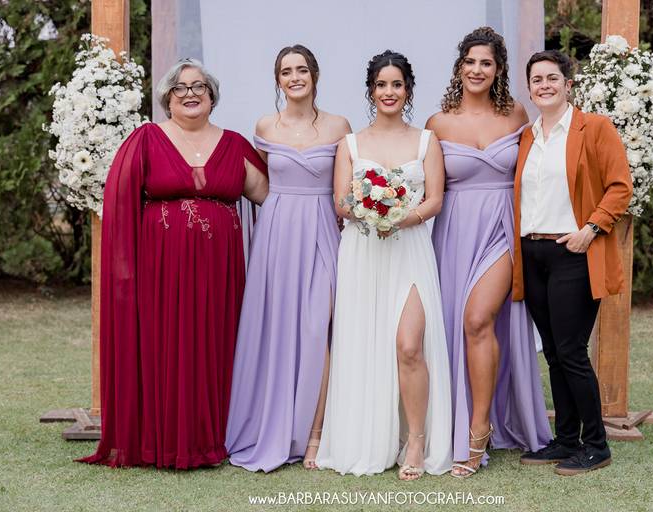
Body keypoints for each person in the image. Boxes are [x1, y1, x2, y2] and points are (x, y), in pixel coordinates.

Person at [79, 59, 268, 469]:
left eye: (199, 86)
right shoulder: (146, 140)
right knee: (165, 347)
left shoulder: (235, 145)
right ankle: (161, 440)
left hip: (218, 272)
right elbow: (119, 205)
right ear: (167, 98)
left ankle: (212, 437)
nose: (190, 94)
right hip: (159, 270)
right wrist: (124, 275)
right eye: (180, 88)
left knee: (213, 347)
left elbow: (273, 199)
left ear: (212, 97)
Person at [315, 50, 453, 480]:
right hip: (363, 252)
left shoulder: (427, 141)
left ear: (407, 90)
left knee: (409, 345)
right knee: (365, 346)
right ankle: (370, 438)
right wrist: (370, 210)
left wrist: (401, 217)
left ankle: (417, 440)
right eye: (381, 85)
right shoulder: (351, 144)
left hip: (409, 249)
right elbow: (341, 202)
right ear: (371, 91)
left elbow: (435, 200)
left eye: (396, 84)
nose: (388, 92)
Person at [426, 27, 552, 478]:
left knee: (478, 319)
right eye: (470, 61)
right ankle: (456, 419)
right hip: (455, 234)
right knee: (455, 326)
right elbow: (426, 185)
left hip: (502, 230)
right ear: (459, 66)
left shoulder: (515, 114)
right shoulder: (438, 123)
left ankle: (479, 428)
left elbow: (540, 170)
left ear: (498, 70)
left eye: (486, 63)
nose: (477, 70)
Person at [225, 45, 350, 472]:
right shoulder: (265, 126)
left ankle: (315, 434)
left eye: (301, 70)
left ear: (315, 75)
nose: (294, 77)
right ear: (278, 80)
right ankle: (273, 423)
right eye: (286, 72)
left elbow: (345, 184)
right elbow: (261, 179)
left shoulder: (338, 125)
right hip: (277, 234)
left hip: (322, 230)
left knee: (318, 328)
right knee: (278, 329)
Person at [513, 50, 632, 475]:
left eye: (552, 78)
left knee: (570, 350)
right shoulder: (527, 136)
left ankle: (596, 445)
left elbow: (620, 186)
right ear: (529, 89)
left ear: (568, 84)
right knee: (554, 354)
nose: (544, 85)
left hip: (574, 253)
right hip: (533, 254)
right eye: (537, 80)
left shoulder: (594, 128)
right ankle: (565, 439)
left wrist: (591, 229)